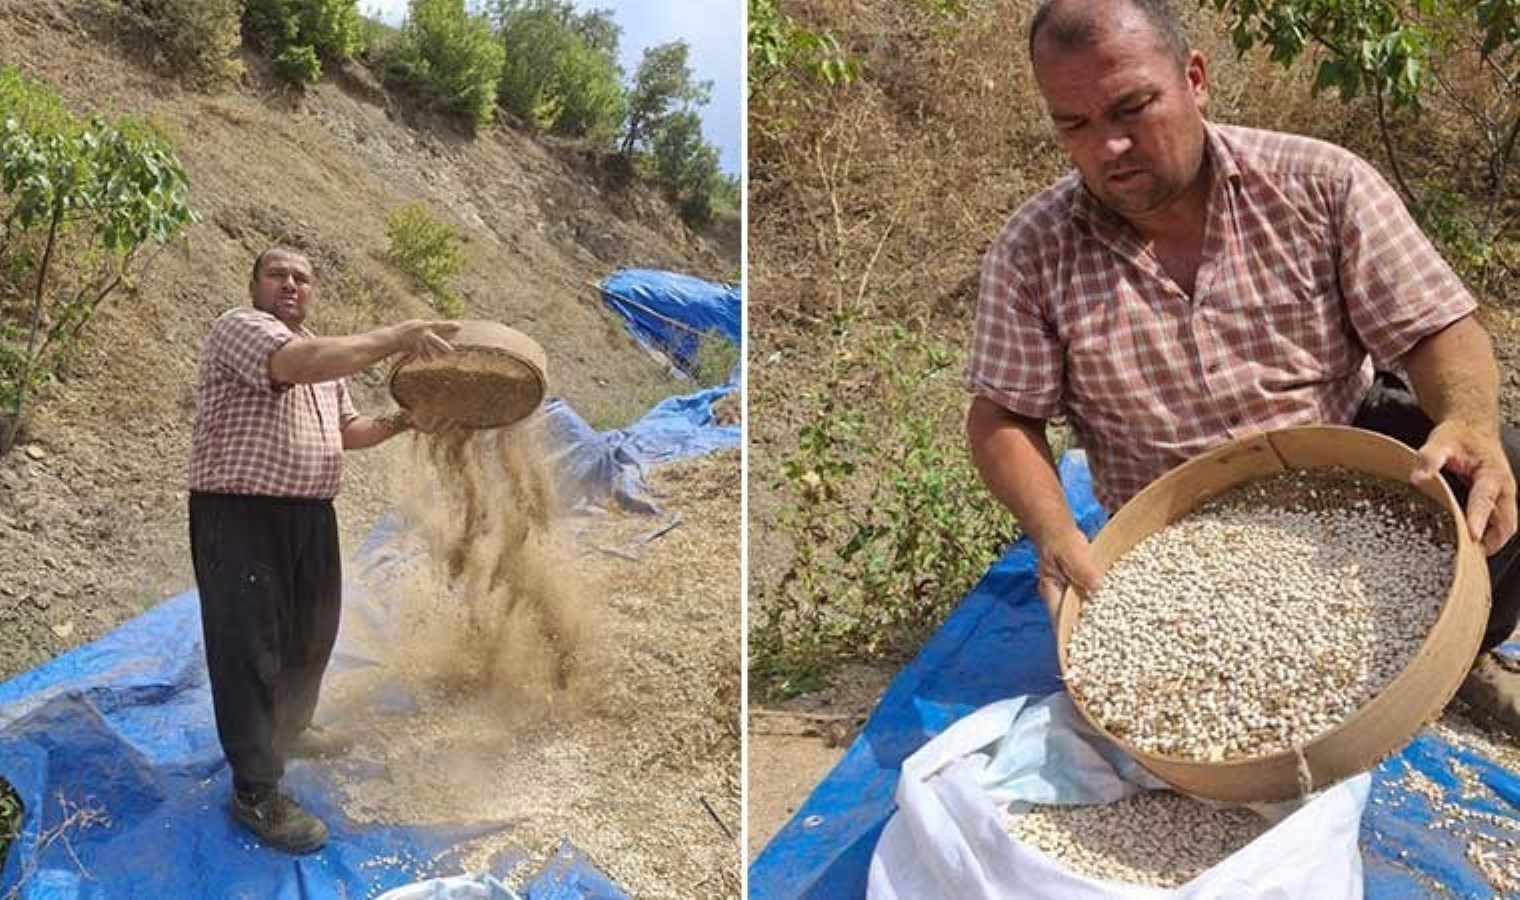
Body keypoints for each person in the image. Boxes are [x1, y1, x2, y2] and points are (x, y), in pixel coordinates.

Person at [965, 0, 1520, 735]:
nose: (1111, 146)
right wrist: (1054, 530)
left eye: (1134, 107)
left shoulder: (1320, 183)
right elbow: (1002, 414)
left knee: (1501, 466)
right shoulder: (1034, 250)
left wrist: (1468, 418)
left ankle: (1453, 651)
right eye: (1076, 125)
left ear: (1194, 78)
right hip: (1176, 530)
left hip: (1347, 474)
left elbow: (1435, 328)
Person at [188, 247, 458, 853]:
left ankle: (290, 727)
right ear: (254, 284)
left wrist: (405, 420)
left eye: (302, 278)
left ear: (314, 291)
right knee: (249, 648)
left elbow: (348, 432)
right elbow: (295, 362)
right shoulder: (242, 328)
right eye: (277, 275)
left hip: (310, 515)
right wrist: (397, 335)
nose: (290, 284)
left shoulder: (326, 363)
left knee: (312, 634)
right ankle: (255, 790)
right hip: (240, 515)